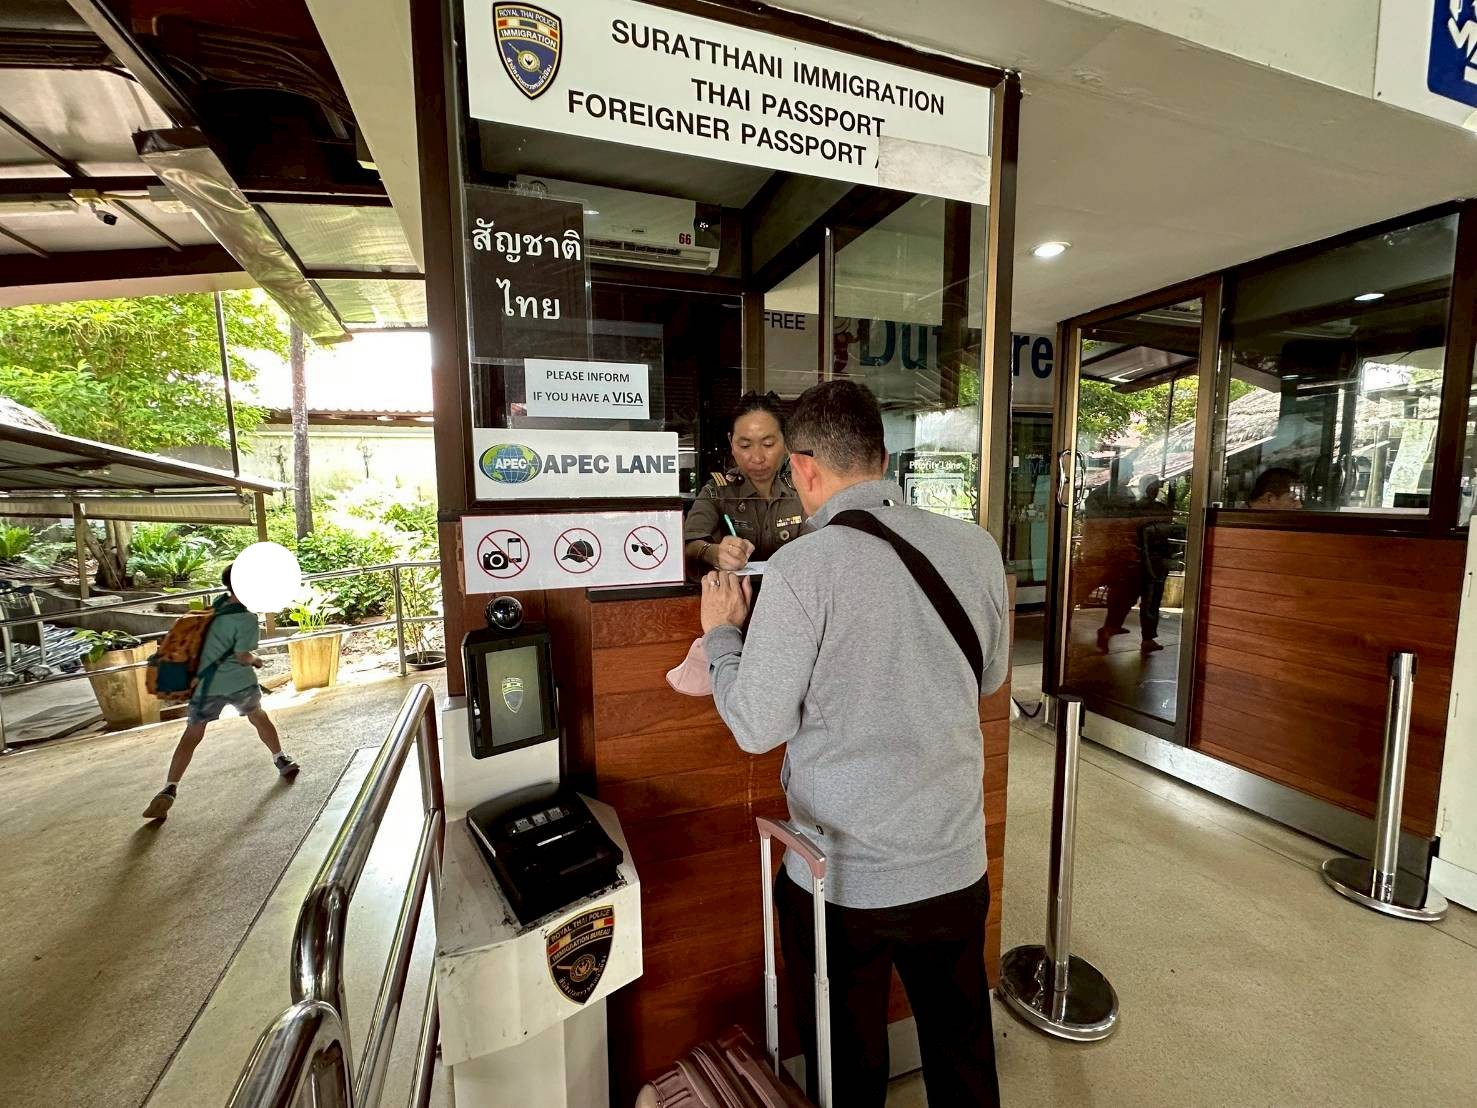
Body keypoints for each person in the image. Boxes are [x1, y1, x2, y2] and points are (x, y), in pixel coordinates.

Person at [698, 380, 1008, 1108]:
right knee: (963, 1051)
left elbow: (757, 725)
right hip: (954, 858)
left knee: (848, 1069)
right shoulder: (975, 546)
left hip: (843, 879)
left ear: (803, 468)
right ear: (883, 458)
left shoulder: (804, 567)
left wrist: (720, 638)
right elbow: (992, 677)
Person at [142, 563, 298, 821]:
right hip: (239, 683)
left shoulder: (212, 611)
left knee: (192, 735)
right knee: (258, 717)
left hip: (205, 687)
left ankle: (169, 787)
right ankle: (280, 759)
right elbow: (242, 655)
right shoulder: (246, 619)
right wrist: (257, 661)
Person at [683, 390, 804, 577]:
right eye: (745, 446)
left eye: (768, 444)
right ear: (731, 443)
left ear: (786, 442)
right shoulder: (718, 491)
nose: (757, 458)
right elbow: (689, 544)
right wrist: (712, 552)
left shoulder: (803, 488)